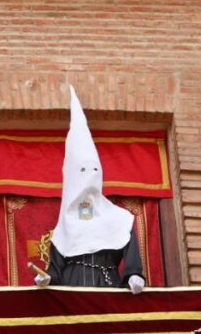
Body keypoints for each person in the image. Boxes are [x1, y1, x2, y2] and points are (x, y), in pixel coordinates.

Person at [34, 87, 145, 293]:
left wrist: (134, 275)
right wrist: (46, 279)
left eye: (94, 170)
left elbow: (131, 261)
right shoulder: (65, 222)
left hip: (107, 287)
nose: (90, 176)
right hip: (71, 291)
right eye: (83, 170)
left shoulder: (121, 218)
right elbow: (55, 271)